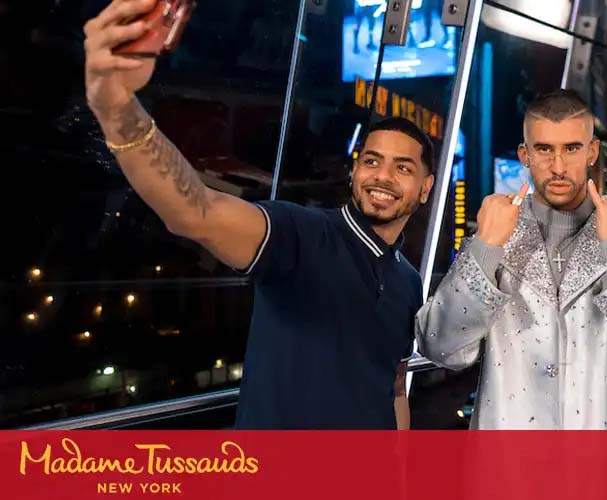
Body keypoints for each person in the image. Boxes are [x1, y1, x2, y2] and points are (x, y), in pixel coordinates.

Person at [83, 0, 434, 429]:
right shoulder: (301, 236)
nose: (382, 176)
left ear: (425, 188)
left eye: (402, 168)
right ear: (355, 170)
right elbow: (195, 211)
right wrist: (116, 107)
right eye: (372, 161)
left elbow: (394, 385)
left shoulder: (407, 280)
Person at [416, 90, 607, 429]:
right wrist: (485, 247)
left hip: (602, 468)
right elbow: (439, 345)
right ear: (525, 154)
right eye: (544, 149)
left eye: (572, 148)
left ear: (592, 151)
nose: (559, 167)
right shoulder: (492, 240)